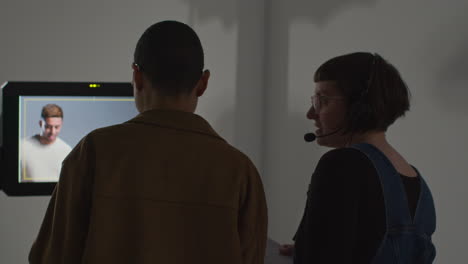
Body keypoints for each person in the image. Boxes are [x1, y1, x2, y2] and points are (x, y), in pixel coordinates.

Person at [29, 20, 267, 264]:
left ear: (137, 76)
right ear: (203, 83)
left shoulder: (93, 152)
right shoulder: (240, 171)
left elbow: (51, 257)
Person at [279, 52, 436, 263]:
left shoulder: (341, 164)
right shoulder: (417, 180)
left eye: (322, 101)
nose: (310, 113)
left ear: (358, 105)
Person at [21, 104, 72, 182]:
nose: (53, 131)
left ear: (61, 125)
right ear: (41, 123)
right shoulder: (22, 146)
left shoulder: (67, 151)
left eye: (57, 127)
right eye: (48, 127)